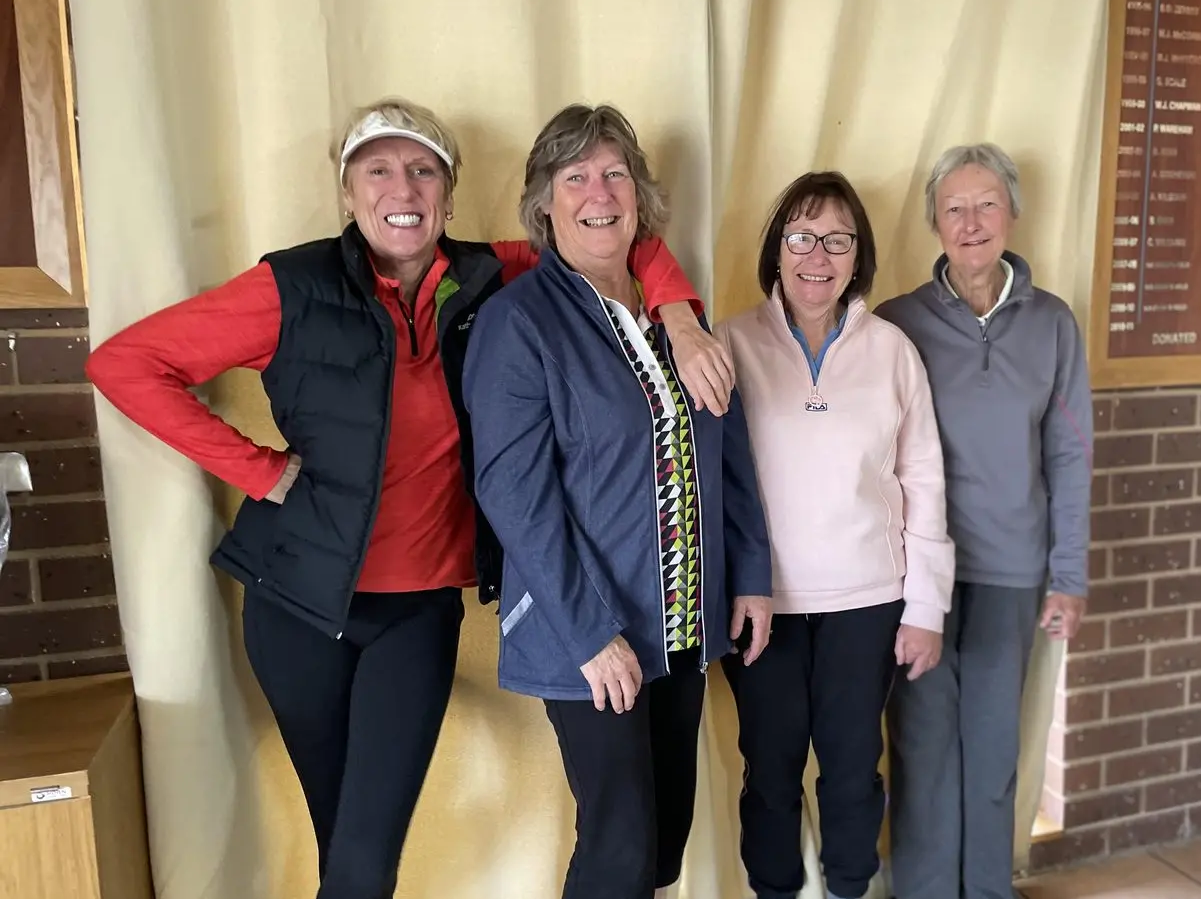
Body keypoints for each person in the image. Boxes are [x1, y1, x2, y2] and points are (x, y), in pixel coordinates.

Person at [84, 96, 732, 899]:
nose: (404, 186)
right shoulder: (290, 286)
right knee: (348, 850)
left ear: (450, 195)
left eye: (424, 169)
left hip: (418, 611)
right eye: (379, 169)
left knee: (364, 854)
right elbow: (124, 364)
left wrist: (680, 311)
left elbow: (616, 241)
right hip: (297, 603)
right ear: (348, 194)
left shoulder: (495, 272)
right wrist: (257, 470)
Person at [461, 103, 774, 899]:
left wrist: (752, 574)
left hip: (679, 622)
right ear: (544, 203)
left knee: (662, 842)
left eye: (614, 173)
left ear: (639, 197)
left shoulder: (680, 322)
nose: (598, 191)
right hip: (590, 635)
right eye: (576, 176)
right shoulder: (517, 322)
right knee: (620, 846)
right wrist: (590, 633)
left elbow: (728, 459)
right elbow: (512, 491)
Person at [714, 171, 956, 899]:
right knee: (771, 768)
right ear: (776, 250)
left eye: (837, 240)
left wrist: (925, 608)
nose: (817, 255)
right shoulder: (728, 344)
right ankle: (775, 891)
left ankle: (850, 888)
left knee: (853, 766)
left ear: (858, 256)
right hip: (762, 607)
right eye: (800, 236)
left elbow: (924, 479)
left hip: (868, 601)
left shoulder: (891, 351)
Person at [874, 143, 1093, 899]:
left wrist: (1069, 576)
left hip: (1010, 573)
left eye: (986, 204)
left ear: (1013, 214)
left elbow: (1069, 454)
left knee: (993, 749)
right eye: (955, 207)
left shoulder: (1054, 325)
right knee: (924, 749)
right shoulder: (896, 324)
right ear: (934, 221)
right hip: (917, 583)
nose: (971, 222)